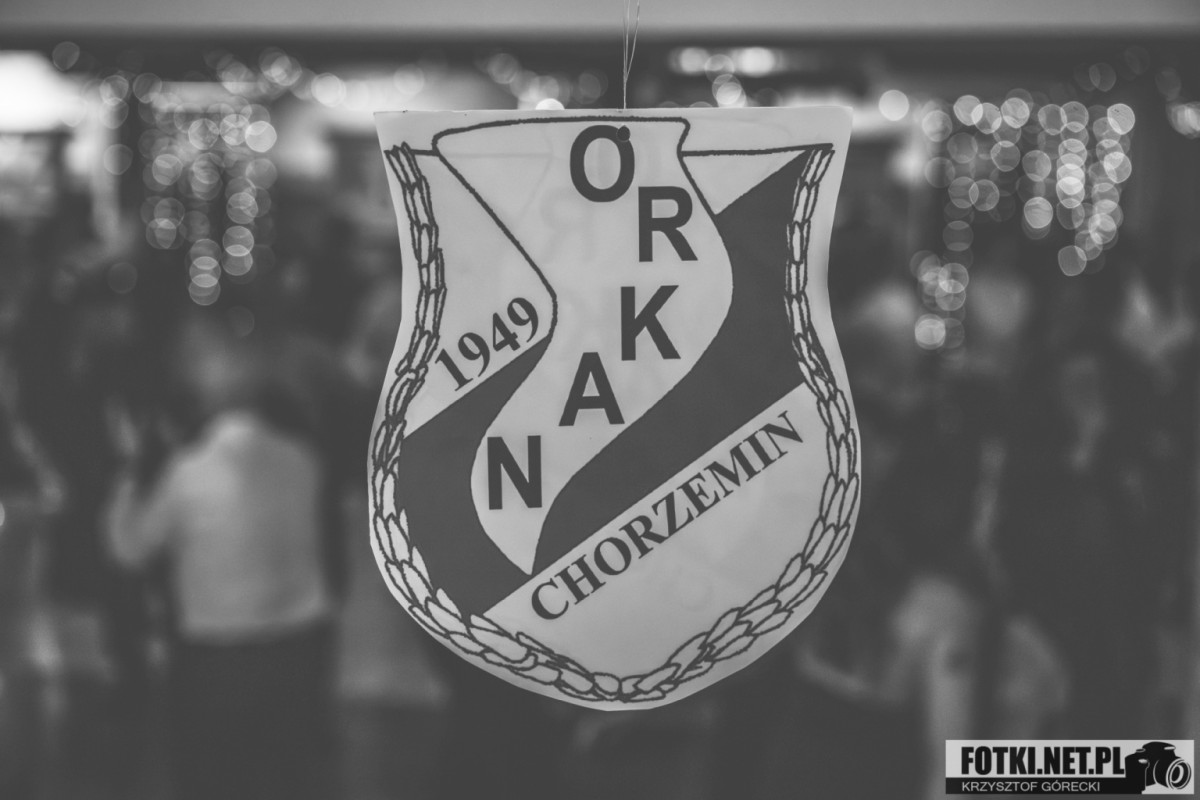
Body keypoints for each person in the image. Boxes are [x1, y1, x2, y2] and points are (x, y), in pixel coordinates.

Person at [104, 342, 337, 800]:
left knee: (213, 781)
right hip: (300, 649)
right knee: (286, 782)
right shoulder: (303, 460)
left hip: (218, 661)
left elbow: (128, 549)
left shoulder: (189, 473)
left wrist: (130, 469)